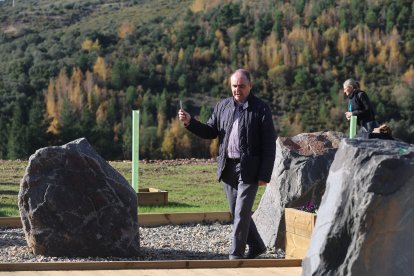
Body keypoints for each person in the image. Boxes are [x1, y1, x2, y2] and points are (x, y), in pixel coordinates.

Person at [178, 69, 276, 260]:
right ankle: (256, 245)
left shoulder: (261, 108)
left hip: (250, 169)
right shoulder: (223, 106)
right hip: (227, 168)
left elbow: (268, 144)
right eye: (234, 86)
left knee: (241, 212)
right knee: (237, 211)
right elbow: (209, 132)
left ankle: (235, 257)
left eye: (241, 86)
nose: (237, 89)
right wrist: (190, 122)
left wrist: (265, 174)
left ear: (250, 86)